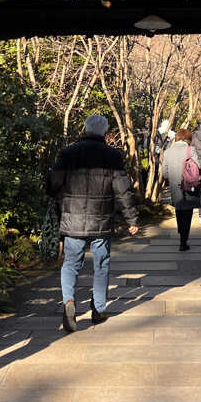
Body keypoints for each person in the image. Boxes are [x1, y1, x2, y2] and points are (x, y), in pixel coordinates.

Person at [47, 114, 139, 332]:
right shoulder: (112, 155)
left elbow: (53, 184)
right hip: (102, 220)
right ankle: (98, 309)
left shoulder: (68, 153)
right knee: (101, 264)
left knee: (71, 264)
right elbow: (123, 191)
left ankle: (69, 301)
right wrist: (131, 219)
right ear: (105, 132)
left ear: (85, 129)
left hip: (73, 220)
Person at [160, 127, 201, 250]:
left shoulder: (167, 152)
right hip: (189, 184)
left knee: (179, 210)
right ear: (188, 138)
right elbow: (198, 167)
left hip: (175, 185)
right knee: (188, 212)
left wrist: (173, 178)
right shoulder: (191, 150)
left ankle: (181, 232)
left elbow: (164, 173)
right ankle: (183, 240)